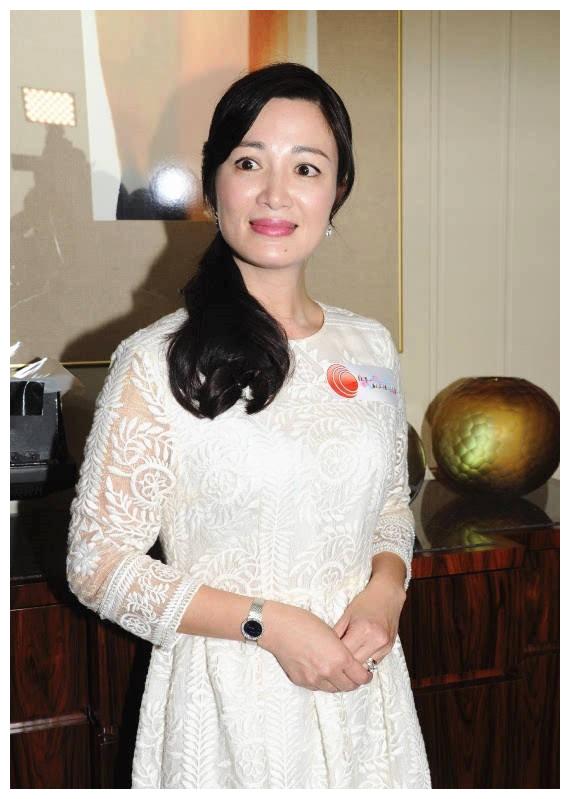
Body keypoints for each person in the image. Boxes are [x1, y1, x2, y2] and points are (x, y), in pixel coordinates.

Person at [66, 61, 431, 789]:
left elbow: (390, 506)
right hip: (230, 703)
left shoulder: (369, 346)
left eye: (306, 167)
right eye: (248, 162)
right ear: (214, 185)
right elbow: (97, 564)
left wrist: (385, 592)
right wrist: (271, 623)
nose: (275, 193)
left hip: (364, 695)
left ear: (337, 192)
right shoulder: (154, 361)